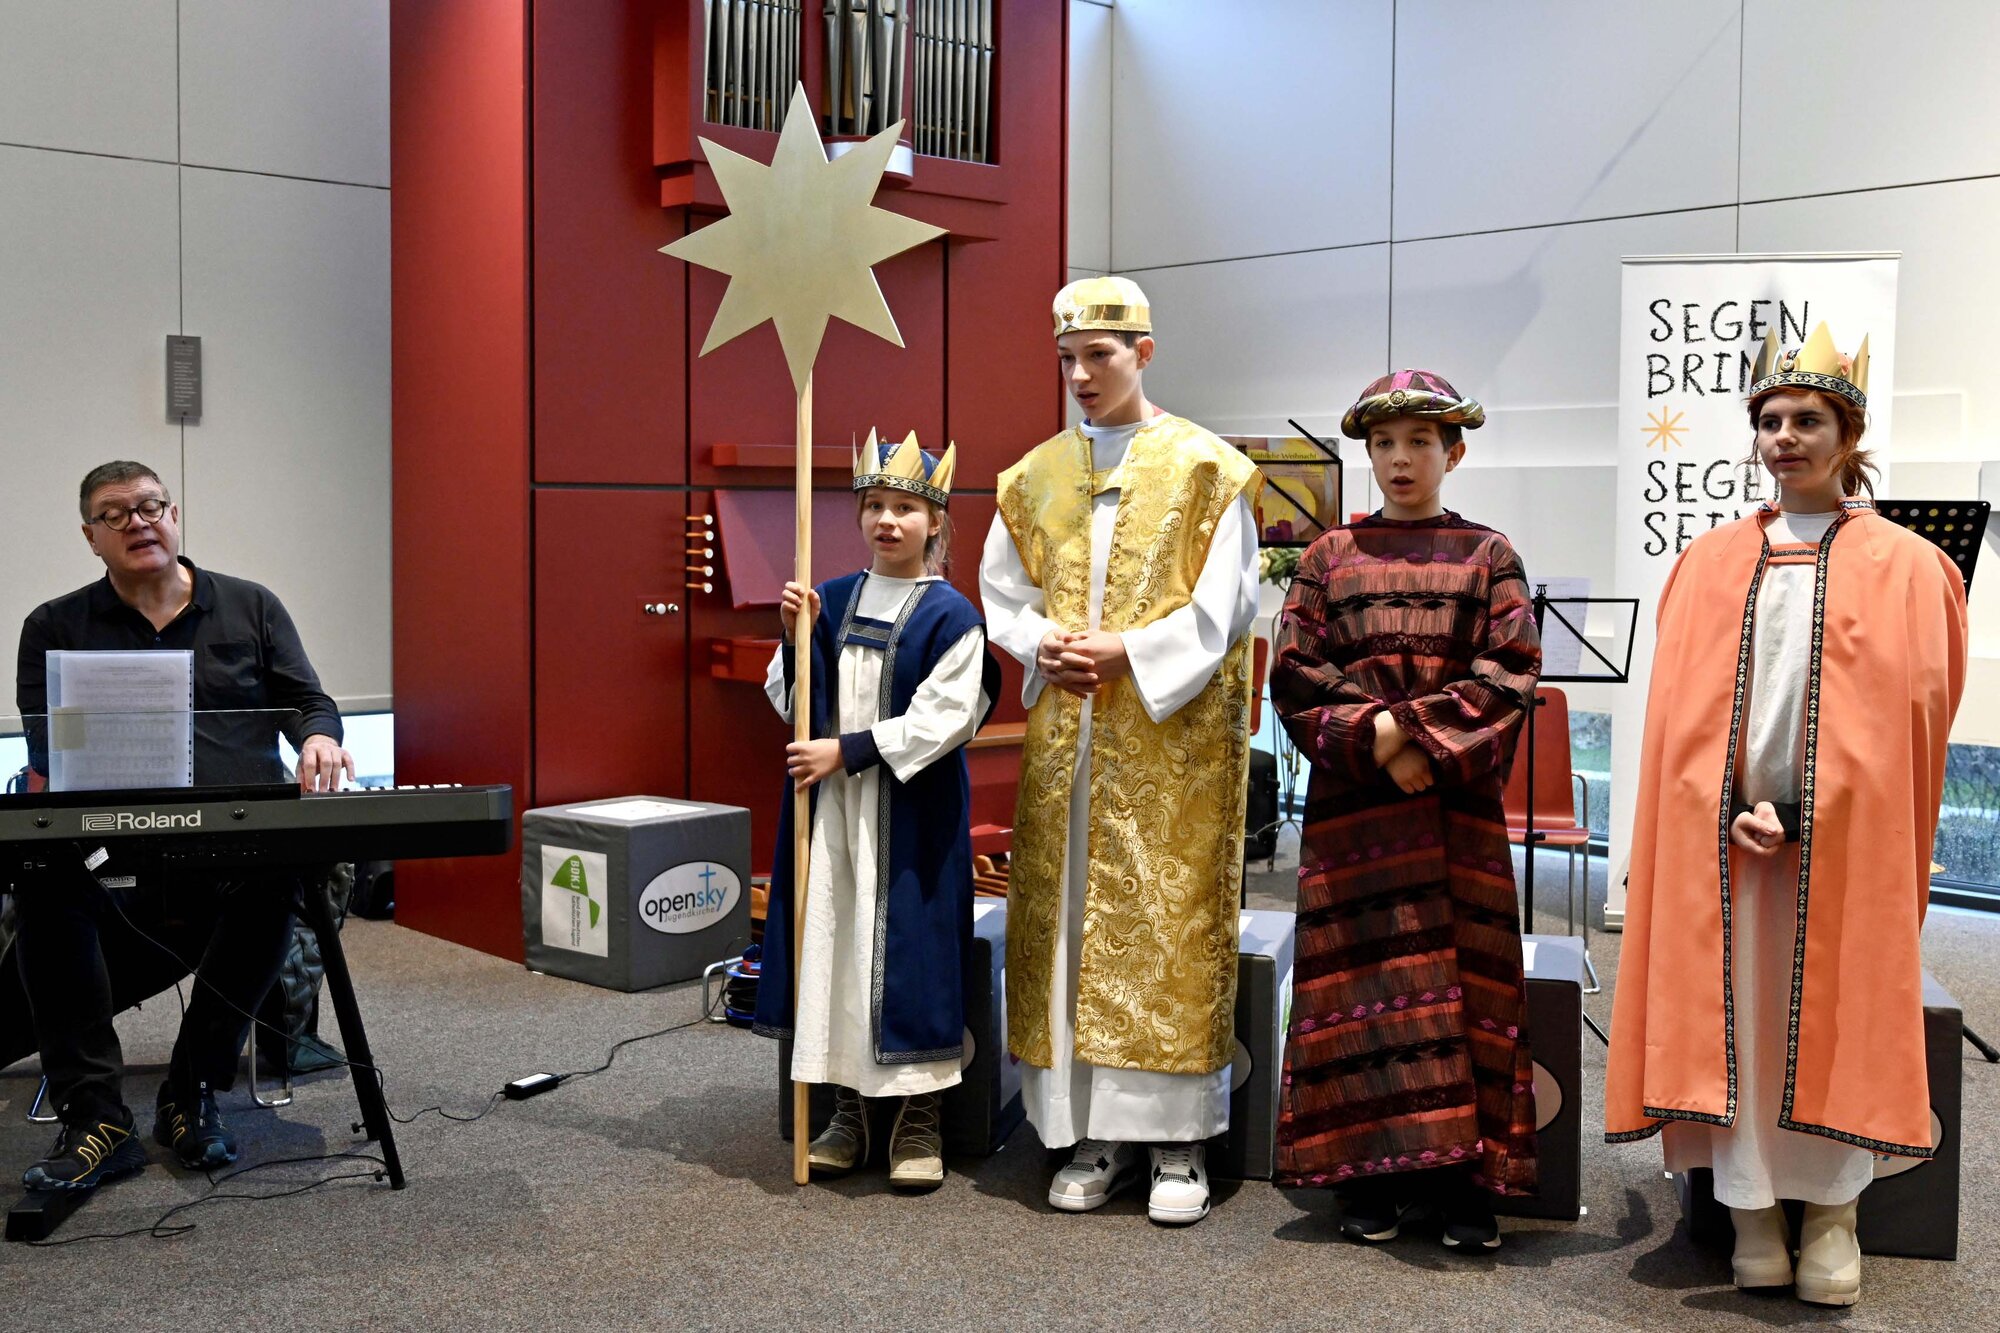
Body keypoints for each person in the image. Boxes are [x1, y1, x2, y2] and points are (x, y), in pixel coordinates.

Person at [1606, 324, 1967, 1306]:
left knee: (1840, 1019)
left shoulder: (1908, 566)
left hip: (1843, 852)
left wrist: (1815, 812)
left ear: (1846, 434)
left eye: (1806, 418)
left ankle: (1834, 1215)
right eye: (1768, 420)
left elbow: (1913, 725)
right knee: (1742, 1025)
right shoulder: (1708, 562)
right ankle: (1753, 1212)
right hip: (1727, 851)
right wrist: (1724, 809)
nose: (1783, 436)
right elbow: (1674, 724)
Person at [980, 277, 1262, 1226]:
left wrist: (1131, 651)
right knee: (1067, 928)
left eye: (1098, 356)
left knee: (1163, 923)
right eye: (1066, 359)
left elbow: (1226, 606)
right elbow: (1004, 591)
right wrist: (1038, 644)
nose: (1079, 375)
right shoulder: (1032, 478)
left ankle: (1177, 1140)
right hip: (1072, 739)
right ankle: (1091, 1135)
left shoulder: (1204, 470)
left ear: (1144, 352)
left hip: (1168, 744)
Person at [11, 460, 354, 1191]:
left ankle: (192, 1091)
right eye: (115, 514)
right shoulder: (52, 625)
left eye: (150, 505)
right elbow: (46, 750)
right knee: (42, 879)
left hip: (230, 853)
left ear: (173, 514)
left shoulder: (251, 606)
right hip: (114, 858)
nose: (138, 520)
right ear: (90, 537)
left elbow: (307, 701)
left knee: (276, 874)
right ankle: (97, 1115)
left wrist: (319, 737)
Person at [1268, 370, 1541, 1251]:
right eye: (1384, 443)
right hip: (1357, 811)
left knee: (1463, 988)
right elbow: (1294, 670)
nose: (1400, 458)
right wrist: (1378, 734)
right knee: (1364, 986)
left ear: (1453, 451)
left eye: (1420, 441)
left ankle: (1465, 1185)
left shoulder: (1490, 554)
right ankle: (1368, 1174)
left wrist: (1415, 738)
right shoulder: (1327, 556)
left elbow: (1510, 672)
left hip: (1454, 812)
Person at [755, 433, 998, 1190]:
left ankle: (918, 1115)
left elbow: (948, 716)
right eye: (875, 507)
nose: (887, 521)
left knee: (911, 958)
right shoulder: (830, 596)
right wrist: (795, 636)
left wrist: (848, 751)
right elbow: (787, 699)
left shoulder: (951, 615)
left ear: (935, 521)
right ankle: (851, 1109)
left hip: (910, 819)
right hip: (832, 820)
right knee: (837, 949)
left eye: (905, 508)